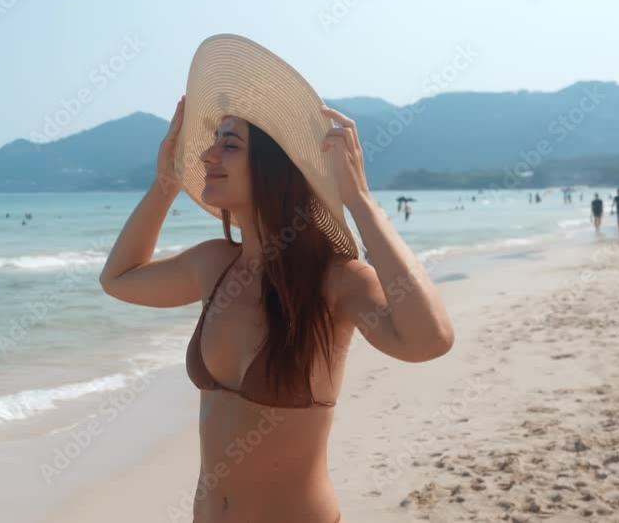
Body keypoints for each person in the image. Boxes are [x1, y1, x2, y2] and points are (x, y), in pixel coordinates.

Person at [99, 34, 454, 523]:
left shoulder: (337, 282)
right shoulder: (213, 266)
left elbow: (430, 340)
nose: (206, 157)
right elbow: (118, 278)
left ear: (275, 167)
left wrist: (360, 203)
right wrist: (165, 185)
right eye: (210, 144)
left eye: (229, 144)